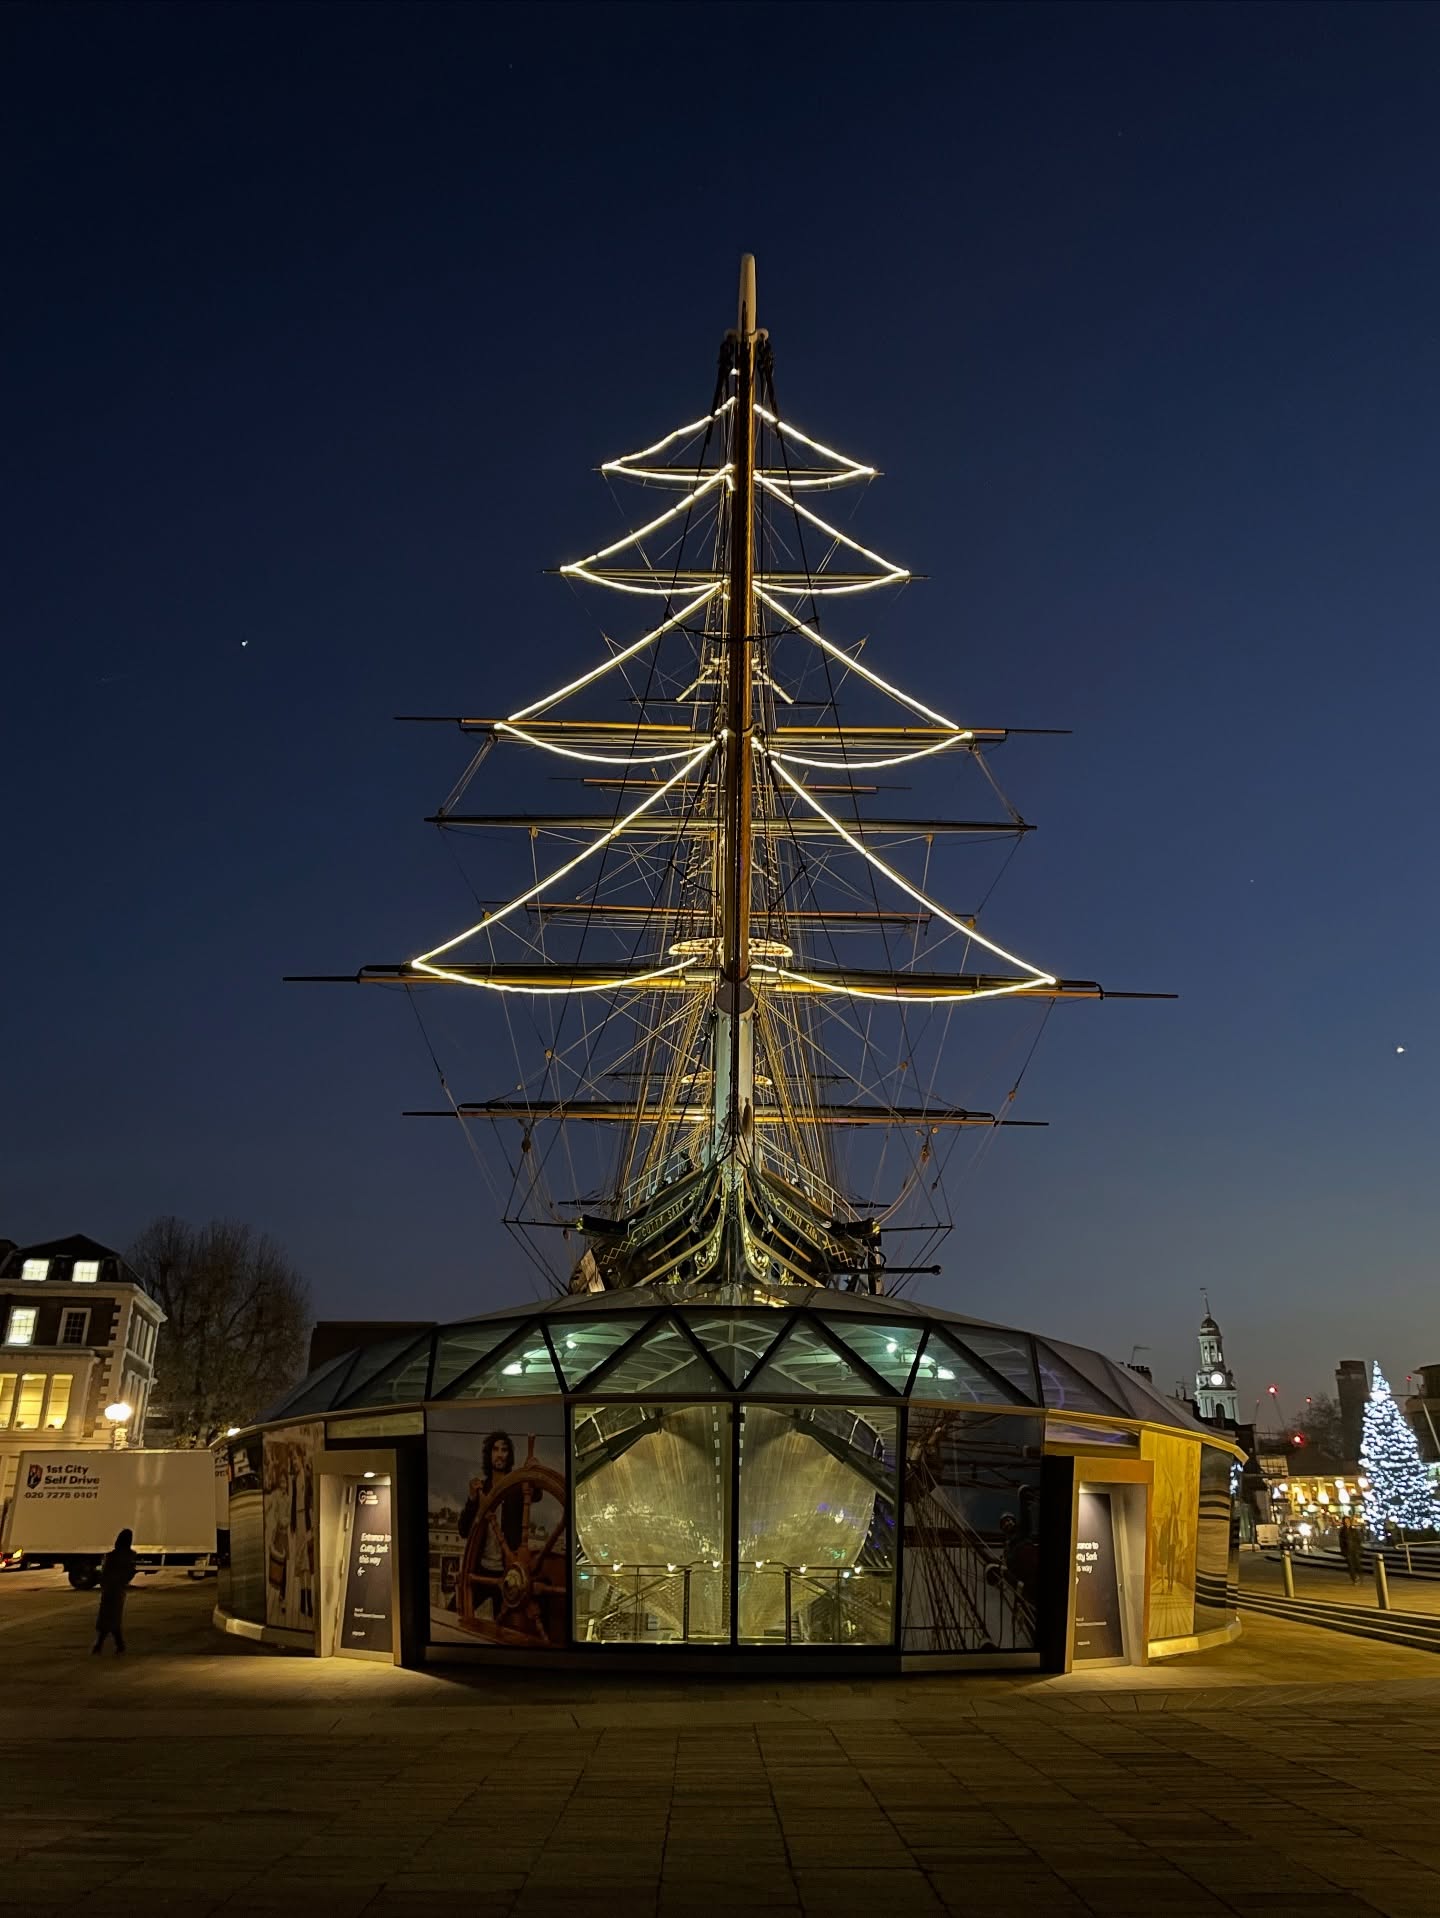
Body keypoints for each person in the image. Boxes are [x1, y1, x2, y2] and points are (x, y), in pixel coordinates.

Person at [92, 1528, 137, 1653]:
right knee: (114, 1617)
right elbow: (130, 1572)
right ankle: (116, 1644)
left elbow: (105, 1572)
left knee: (106, 1616)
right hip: (118, 1589)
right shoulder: (130, 1556)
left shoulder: (112, 1556)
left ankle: (102, 1645)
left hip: (110, 1589)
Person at [1340, 1516, 1365, 1585]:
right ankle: (1354, 1578)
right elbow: (1341, 1542)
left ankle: (1360, 1576)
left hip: (1355, 1550)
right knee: (1351, 1566)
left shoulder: (1354, 1530)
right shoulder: (1342, 1531)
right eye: (1345, 1522)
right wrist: (1343, 1550)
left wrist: (1359, 1549)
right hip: (1348, 1551)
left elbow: (1358, 1540)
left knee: (1358, 1564)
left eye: (1347, 1521)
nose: (1346, 1523)